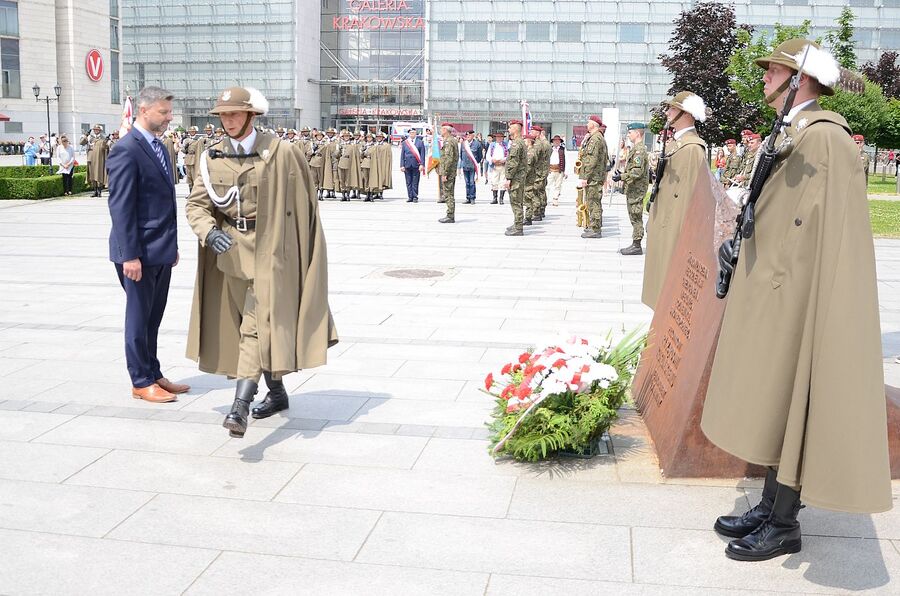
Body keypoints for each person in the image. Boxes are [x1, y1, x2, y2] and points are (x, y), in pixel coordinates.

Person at [703, 38, 891, 562]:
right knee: (776, 399)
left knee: (794, 401)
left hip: (800, 297)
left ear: (800, 79)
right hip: (777, 289)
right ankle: (770, 506)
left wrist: (787, 285)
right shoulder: (795, 130)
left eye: (773, 71)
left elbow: (823, 231)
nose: (765, 77)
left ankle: (784, 523)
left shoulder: (824, 137)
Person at [185, 86, 338, 438]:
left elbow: (304, 205)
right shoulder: (212, 157)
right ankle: (278, 392)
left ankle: (239, 408)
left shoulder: (281, 151)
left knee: (255, 326)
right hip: (231, 255)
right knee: (251, 325)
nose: (228, 121)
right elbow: (196, 205)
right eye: (223, 115)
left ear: (251, 115)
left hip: (273, 253)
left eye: (235, 114)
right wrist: (209, 231)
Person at [106, 86, 187, 403]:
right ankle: (140, 381)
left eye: (169, 112)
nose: (169, 118)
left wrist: (171, 245)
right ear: (143, 110)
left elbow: (163, 202)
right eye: (163, 112)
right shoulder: (126, 149)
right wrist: (130, 255)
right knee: (139, 319)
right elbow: (121, 207)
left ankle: (153, 372)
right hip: (137, 254)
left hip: (160, 250)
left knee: (153, 317)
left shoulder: (160, 147)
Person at [641, 91, 707, 309]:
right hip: (663, 220)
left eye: (672, 108)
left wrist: (678, 233)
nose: (667, 112)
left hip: (673, 225)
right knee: (659, 278)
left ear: (686, 113)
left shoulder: (692, 148)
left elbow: (689, 196)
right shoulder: (678, 144)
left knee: (668, 281)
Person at [617, 122, 649, 255]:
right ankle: (635, 243)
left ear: (637, 133)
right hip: (633, 189)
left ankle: (637, 245)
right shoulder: (636, 149)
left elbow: (637, 172)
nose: (628, 135)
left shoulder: (639, 150)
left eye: (630, 133)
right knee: (633, 216)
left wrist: (622, 177)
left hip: (637, 190)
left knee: (636, 216)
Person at [578, 115, 609, 239]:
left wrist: (585, 177)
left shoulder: (595, 139)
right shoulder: (597, 137)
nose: (587, 125)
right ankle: (594, 225)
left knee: (593, 202)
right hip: (596, 176)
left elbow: (591, 160)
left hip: (593, 177)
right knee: (593, 201)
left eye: (588, 122)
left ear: (593, 125)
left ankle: (595, 229)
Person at [504, 119, 527, 236]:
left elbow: (513, 162)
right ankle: (517, 223)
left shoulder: (516, 144)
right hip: (519, 177)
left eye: (510, 127)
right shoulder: (520, 142)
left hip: (516, 178)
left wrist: (508, 178)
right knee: (517, 201)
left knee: (516, 202)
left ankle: (518, 228)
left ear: (515, 129)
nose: (508, 130)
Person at [438, 123, 459, 223]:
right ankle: (450, 214)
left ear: (445, 130)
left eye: (442, 129)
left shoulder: (449, 141)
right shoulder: (451, 140)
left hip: (448, 172)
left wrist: (445, 173)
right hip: (451, 171)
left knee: (448, 194)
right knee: (449, 193)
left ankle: (450, 215)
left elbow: (448, 158)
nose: (440, 131)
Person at [80, 125, 109, 197]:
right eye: (95, 129)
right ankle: (94, 191)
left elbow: (105, 148)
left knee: (99, 174)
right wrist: (86, 135)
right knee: (92, 174)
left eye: (97, 129)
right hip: (91, 158)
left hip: (99, 158)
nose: (96, 131)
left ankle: (99, 191)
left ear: (100, 131)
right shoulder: (90, 137)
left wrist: (105, 142)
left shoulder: (102, 138)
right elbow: (81, 143)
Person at [531, 125, 551, 220]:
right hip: (543, 170)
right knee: (541, 191)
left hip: (538, 171)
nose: (531, 133)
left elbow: (534, 158)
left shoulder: (539, 144)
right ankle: (541, 210)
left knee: (536, 191)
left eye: (532, 132)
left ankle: (537, 212)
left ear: (537, 133)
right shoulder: (546, 143)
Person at [400, 129, 425, 203]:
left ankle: (415, 196)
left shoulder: (420, 142)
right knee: (408, 182)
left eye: (413, 132)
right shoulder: (405, 142)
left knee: (415, 181)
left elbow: (422, 154)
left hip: (416, 164)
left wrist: (422, 164)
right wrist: (402, 165)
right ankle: (410, 196)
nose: (412, 134)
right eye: (411, 133)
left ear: (416, 133)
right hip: (407, 164)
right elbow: (402, 155)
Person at [459, 130, 483, 204]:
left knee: (472, 182)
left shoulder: (477, 144)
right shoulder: (463, 144)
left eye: (469, 135)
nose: (468, 136)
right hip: (465, 166)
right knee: (467, 183)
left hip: (472, 166)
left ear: (473, 135)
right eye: (467, 135)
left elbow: (480, 156)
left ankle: (472, 198)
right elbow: (461, 155)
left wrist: (475, 163)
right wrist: (464, 162)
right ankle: (468, 198)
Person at [486, 131, 509, 204]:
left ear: (503, 138)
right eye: (497, 137)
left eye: (500, 137)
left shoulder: (506, 145)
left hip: (503, 166)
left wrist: (504, 159)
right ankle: (494, 198)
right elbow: (488, 155)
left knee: (503, 182)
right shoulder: (492, 145)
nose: (499, 138)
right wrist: (492, 160)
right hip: (495, 166)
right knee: (494, 181)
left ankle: (501, 199)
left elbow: (509, 155)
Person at [547, 135, 566, 207]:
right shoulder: (549, 149)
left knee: (558, 185)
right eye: (555, 141)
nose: (556, 142)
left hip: (559, 169)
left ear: (560, 142)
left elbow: (566, 160)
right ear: (553, 142)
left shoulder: (563, 149)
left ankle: (555, 199)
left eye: (558, 141)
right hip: (550, 169)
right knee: (547, 185)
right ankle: (545, 199)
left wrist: (565, 171)